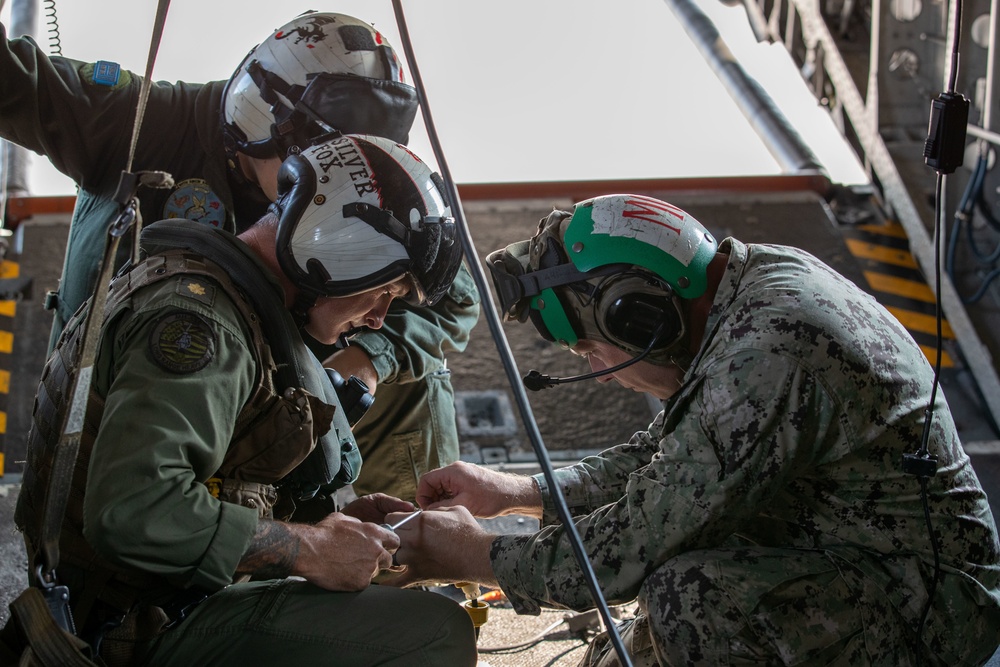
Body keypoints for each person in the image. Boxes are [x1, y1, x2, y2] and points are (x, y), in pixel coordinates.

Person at [385, 194, 1000, 666]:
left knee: (692, 598)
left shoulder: (767, 354)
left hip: (932, 607)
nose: (600, 375)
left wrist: (466, 552)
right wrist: (518, 492)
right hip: (853, 556)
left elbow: (624, 553)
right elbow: (665, 461)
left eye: (593, 350)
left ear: (640, 316)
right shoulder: (748, 290)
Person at [7, 135, 477, 666]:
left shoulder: (221, 296)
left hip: (154, 603)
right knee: (434, 631)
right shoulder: (200, 325)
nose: (376, 319)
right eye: (386, 291)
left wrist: (326, 524)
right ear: (343, 251)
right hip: (128, 633)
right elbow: (134, 510)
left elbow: (212, 480)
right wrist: (310, 549)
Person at [0, 11, 480, 503]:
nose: (337, 180)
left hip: (262, 393)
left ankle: (417, 551)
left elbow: (453, 291)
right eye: (326, 156)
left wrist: (365, 361)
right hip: (128, 392)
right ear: (263, 114)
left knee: (413, 379)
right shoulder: (141, 120)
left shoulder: (351, 173)